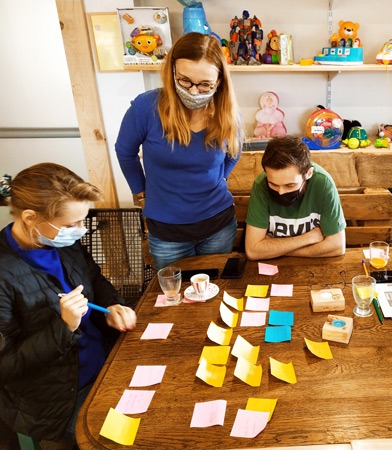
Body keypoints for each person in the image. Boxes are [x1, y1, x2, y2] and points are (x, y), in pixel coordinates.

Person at [0, 163, 137, 445]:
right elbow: (6, 365)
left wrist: (112, 305)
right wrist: (64, 326)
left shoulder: (59, 241)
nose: (80, 231)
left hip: (104, 363)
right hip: (56, 400)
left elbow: (94, 279)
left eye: (82, 220)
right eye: (70, 224)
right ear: (29, 217)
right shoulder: (4, 272)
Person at [115, 32, 242, 270]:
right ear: (171, 71)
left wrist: (220, 177)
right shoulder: (146, 107)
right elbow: (125, 152)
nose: (194, 92)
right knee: (172, 300)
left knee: (215, 294)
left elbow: (235, 151)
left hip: (218, 226)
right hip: (167, 232)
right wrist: (140, 192)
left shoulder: (227, 111)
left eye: (205, 84)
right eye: (185, 80)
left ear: (219, 82)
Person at [245, 136, 346, 260]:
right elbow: (253, 251)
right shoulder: (261, 184)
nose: (281, 192)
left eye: (290, 185)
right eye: (273, 184)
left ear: (308, 173)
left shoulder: (323, 183)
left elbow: (337, 246)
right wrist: (308, 238)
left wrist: (274, 249)